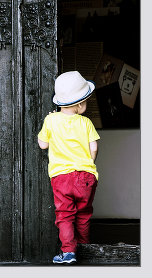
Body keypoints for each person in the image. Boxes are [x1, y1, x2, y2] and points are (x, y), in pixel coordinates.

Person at [37, 71, 100, 265]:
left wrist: (49, 124)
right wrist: (88, 164)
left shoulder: (51, 120)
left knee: (65, 215)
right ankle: (84, 248)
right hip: (86, 177)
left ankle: (69, 252)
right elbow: (94, 147)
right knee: (83, 214)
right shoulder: (87, 122)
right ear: (80, 104)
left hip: (62, 177)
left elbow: (42, 144)